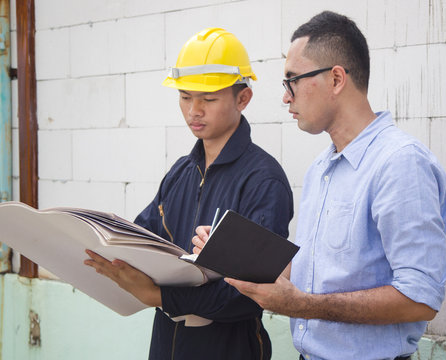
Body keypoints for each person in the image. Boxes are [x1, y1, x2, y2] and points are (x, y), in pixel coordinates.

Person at [193, 11, 446, 360]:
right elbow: (311, 273)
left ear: (336, 79)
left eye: (292, 81)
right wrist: (233, 254)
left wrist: (304, 306)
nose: (286, 97)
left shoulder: (399, 163)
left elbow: (420, 300)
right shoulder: (321, 169)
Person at [84, 27, 293, 360]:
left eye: (208, 99)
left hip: (230, 350)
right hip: (167, 346)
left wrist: (161, 297)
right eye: (185, 96)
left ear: (243, 98)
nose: (194, 110)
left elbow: (252, 293)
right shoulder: (181, 172)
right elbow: (143, 240)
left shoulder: (263, 180)